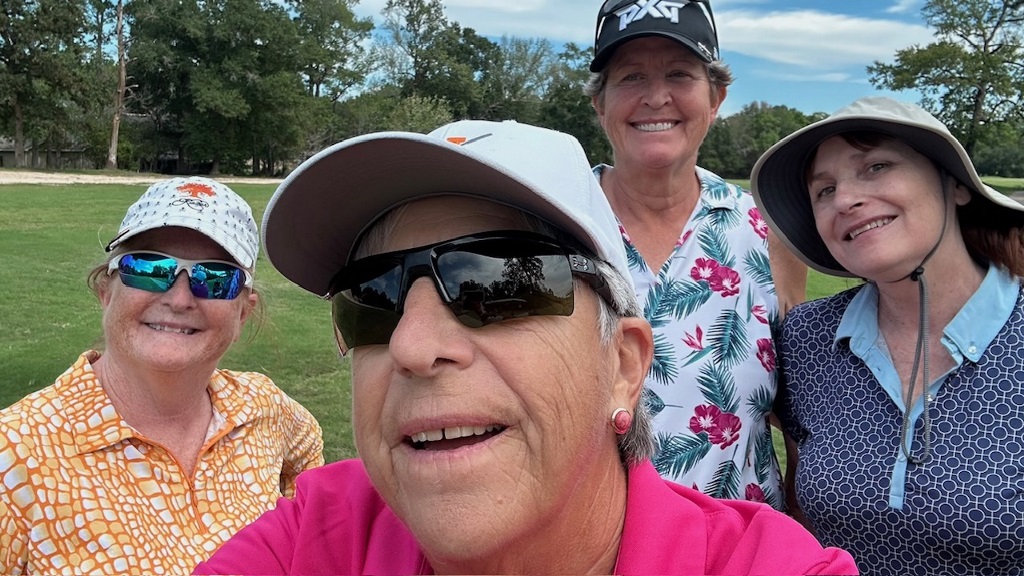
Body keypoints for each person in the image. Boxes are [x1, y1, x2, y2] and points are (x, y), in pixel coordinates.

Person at [194, 120, 857, 575]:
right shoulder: (322, 533)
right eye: (373, 299)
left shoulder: (763, 564)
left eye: (494, 283)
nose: (412, 344)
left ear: (622, 367)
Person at [750, 96, 1024, 574]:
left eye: (876, 166)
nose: (846, 199)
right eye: (824, 190)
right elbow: (802, 509)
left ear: (955, 184)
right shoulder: (808, 338)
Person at [0, 177, 325, 574]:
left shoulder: (265, 409)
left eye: (215, 278)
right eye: (149, 268)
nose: (179, 298)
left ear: (242, 312)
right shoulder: (14, 455)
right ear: (106, 291)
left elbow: (313, 495)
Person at [584, 0, 806, 505]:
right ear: (600, 104)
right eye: (631, 77)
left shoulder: (766, 233)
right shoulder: (559, 224)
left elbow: (798, 413)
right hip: (589, 548)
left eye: (679, 75)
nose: (656, 97)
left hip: (737, 546)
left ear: (716, 98)